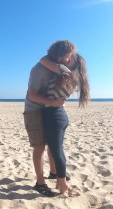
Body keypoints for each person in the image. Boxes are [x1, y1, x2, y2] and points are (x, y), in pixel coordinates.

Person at [23, 40, 76, 197]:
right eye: (68, 56)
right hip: (34, 110)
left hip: (48, 110)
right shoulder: (39, 70)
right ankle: (40, 183)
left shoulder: (57, 68)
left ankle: (54, 173)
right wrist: (53, 102)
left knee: (53, 144)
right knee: (39, 147)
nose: (70, 58)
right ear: (59, 57)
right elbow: (32, 95)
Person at [40, 48, 90, 196]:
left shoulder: (65, 73)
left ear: (76, 63)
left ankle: (62, 183)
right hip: (58, 115)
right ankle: (57, 177)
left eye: (71, 58)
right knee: (56, 149)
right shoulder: (74, 76)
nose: (66, 59)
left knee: (57, 151)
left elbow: (43, 60)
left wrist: (60, 61)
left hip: (54, 115)